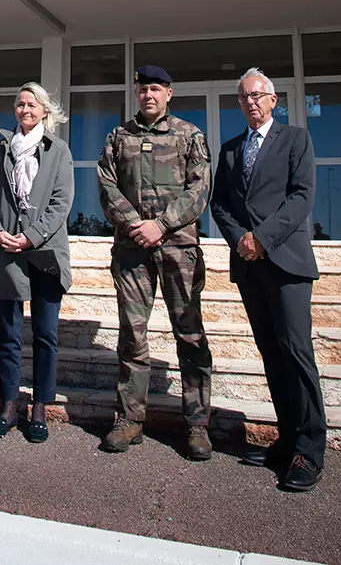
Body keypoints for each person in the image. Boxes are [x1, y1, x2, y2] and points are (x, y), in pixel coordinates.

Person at [211, 68, 326, 493]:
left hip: (287, 263)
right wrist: (242, 239)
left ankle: (310, 452)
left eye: (258, 95)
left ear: (273, 100)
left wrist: (263, 237)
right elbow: (219, 204)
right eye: (244, 97)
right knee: (271, 355)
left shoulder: (296, 139)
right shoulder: (230, 150)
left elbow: (302, 196)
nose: (252, 102)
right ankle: (287, 441)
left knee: (296, 353)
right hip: (249, 265)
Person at [98, 65, 213, 460]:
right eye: (143, 89)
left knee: (190, 334)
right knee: (133, 334)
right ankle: (130, 419)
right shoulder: (119, 137)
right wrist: (136, 225)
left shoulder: (189, 135)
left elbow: (200, 188)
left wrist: (161, 225)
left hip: (178, 249)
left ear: (169, 93)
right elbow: (106, 184)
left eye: (155, 89)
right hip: (133, 251)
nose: (148, 95)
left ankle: (197, 424)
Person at [0, 83, 74, 443]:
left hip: (46, 253)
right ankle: (7, 405)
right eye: (20, 104)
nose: (25, 110)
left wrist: (30, 236)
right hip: (6, 250)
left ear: (44, 111)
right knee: (8, 334)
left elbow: (61, 203)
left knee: (46, 334)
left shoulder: (59, 151)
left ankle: (38, 408)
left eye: (32, 104)